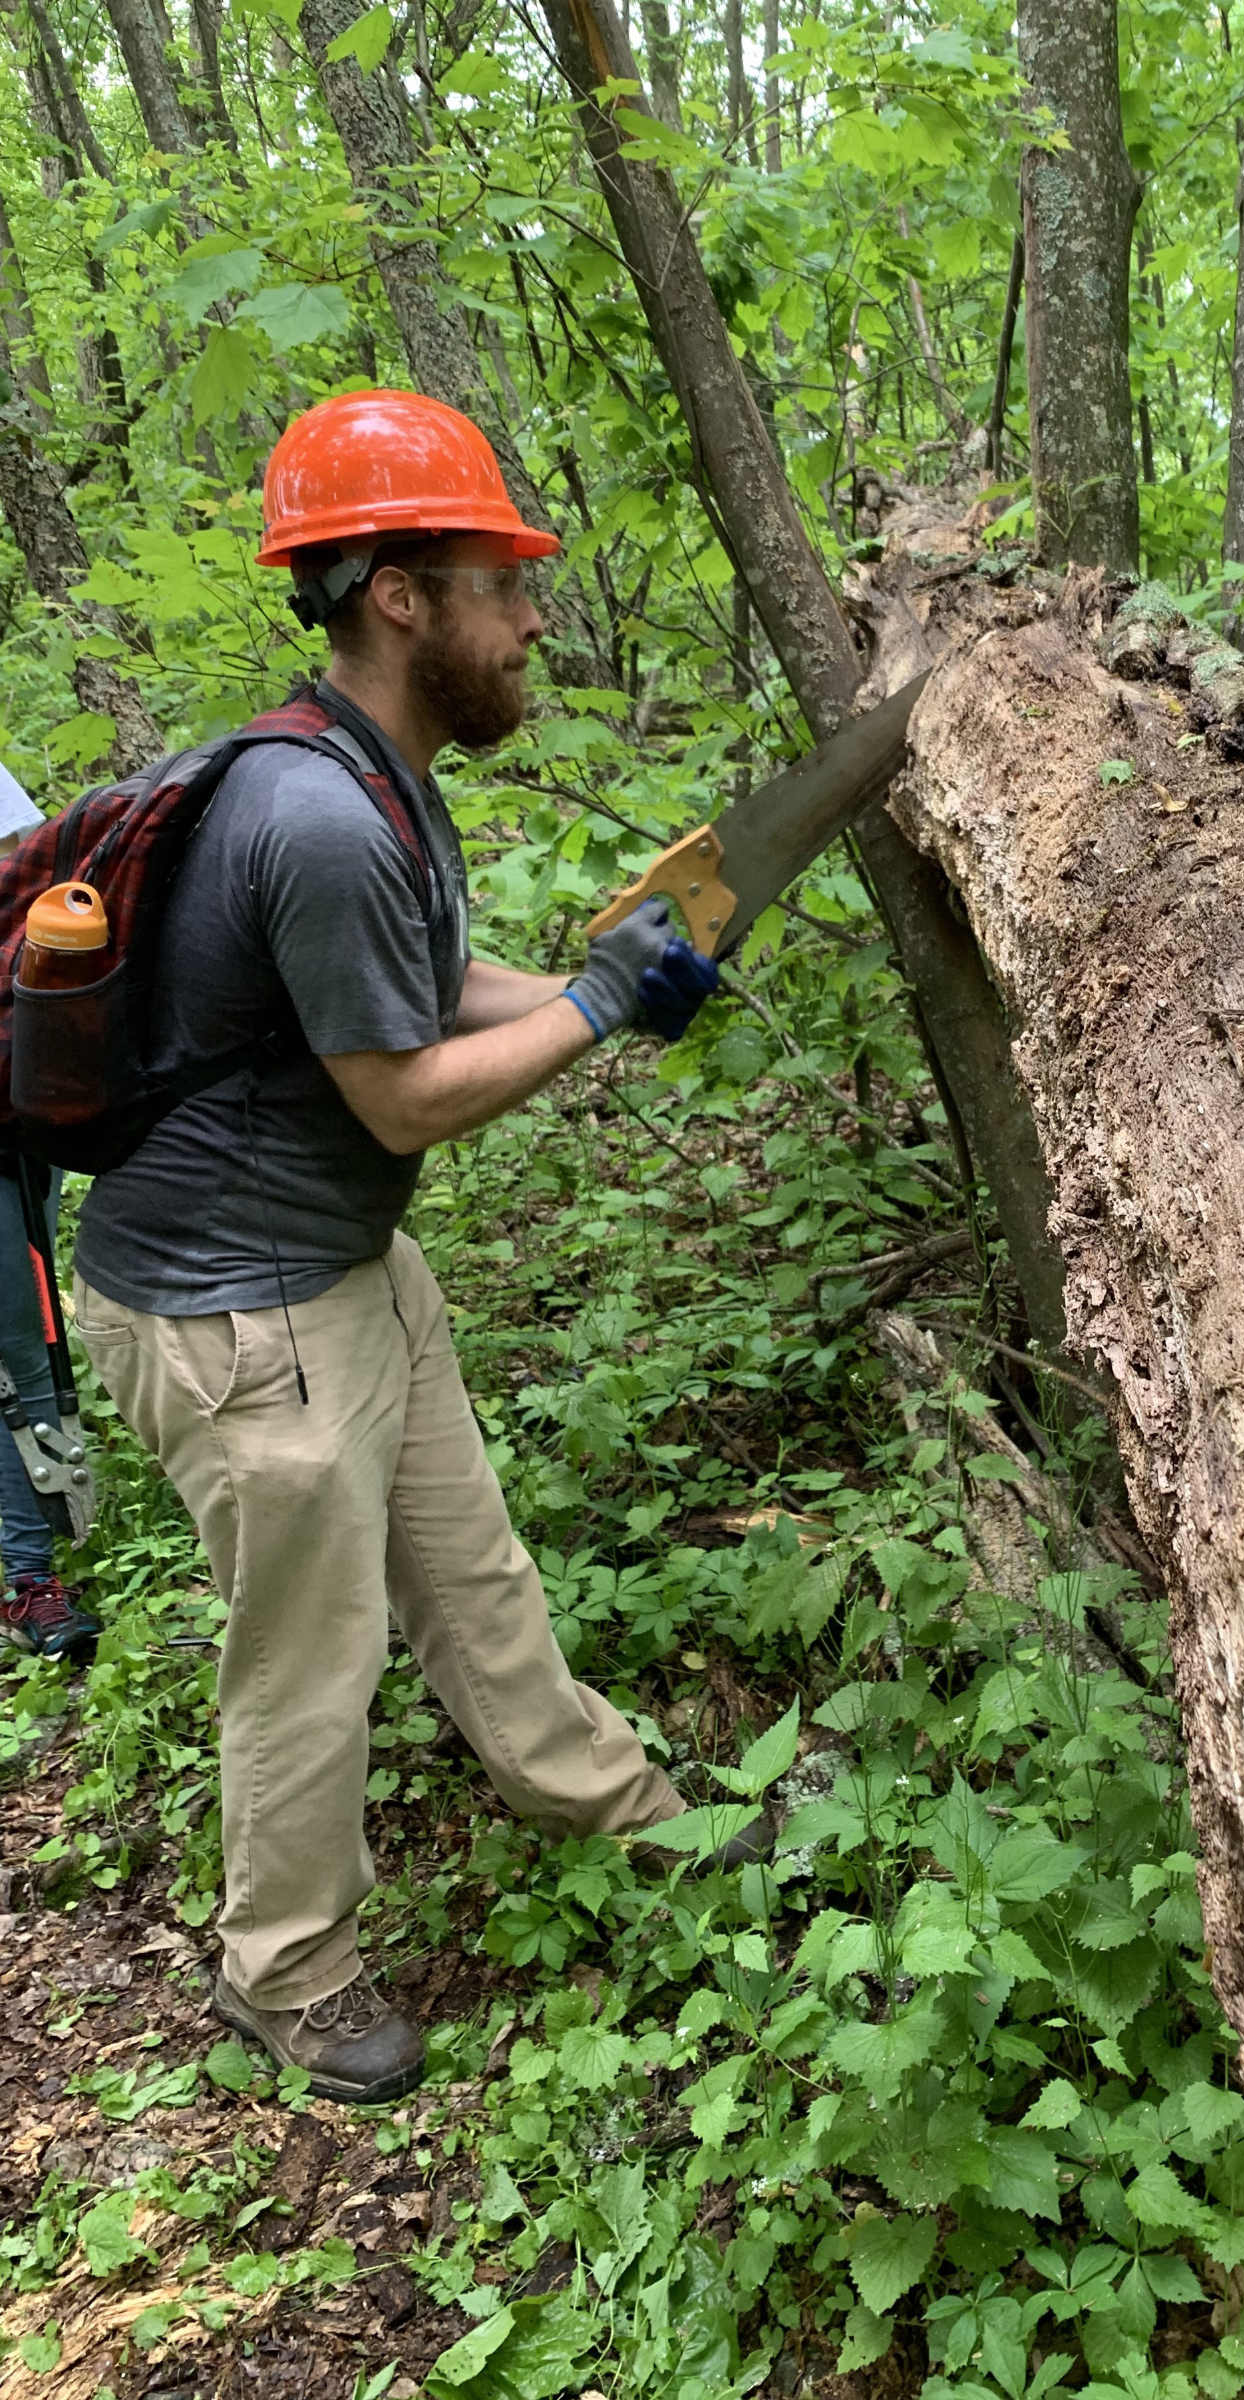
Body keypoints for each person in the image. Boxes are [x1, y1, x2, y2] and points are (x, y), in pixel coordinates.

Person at [70, 389, 761, 2107]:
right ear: (399, 596)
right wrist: (594, 1010)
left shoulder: (371, 778)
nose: (532, 617)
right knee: (310, 1660)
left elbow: (422, 988)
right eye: (500, 580)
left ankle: (606, 1800)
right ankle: (284, 1967)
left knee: (470, 1570)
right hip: (243, 1323)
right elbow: (399, 1096)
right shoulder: (309, 815)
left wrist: (610, 999)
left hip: (344, 1274)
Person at [0, 758, 100, 1664]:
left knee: (32, 1347)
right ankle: (32, 1582)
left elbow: (27, 874)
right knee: (12, 1362)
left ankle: (45, 1556)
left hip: (17, 1107)